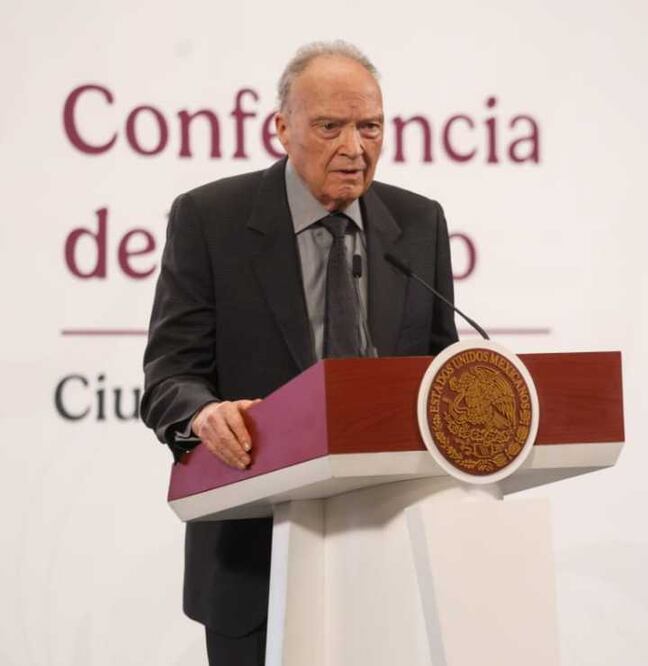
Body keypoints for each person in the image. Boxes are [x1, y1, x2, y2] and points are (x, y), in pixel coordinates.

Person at [140, 41, 458, 665]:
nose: (355, 147)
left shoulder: (418, 223)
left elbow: (439, 370)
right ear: (282, 128)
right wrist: (203, 416)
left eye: (370, 126)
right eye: (330, 127)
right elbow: (170, 375)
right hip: (254, 551)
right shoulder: (211, 219)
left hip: (388, 547)